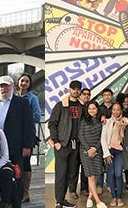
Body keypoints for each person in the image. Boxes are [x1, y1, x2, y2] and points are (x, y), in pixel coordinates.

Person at [0, 75, 35, 208]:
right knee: (4, 176)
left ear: (12, 86)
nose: (4, 88)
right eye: (1, 86)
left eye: (7, 85)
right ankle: (4, 201)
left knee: (17, 176)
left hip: (16, 147)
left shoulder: (22, 103)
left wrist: (27, 146)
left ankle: (16, 203)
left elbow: (28, 125)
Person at [47, 80, 83, 208]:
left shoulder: (82, 106)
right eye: (74, 88)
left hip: (76, 145)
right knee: (61, 173)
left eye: (78, 89)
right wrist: (56, 142)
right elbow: (52, 124)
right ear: (69, 90)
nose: (76, 91)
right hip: (63, 144)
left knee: (71, 173)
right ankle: (59, 201)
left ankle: (63, 200)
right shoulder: (61, 105)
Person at [16, 73, 42, 203]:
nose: (24, 83)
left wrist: (22, 119)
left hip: (27, 135)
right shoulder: (13, 97)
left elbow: (37, 117)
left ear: (29, 84)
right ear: (18, 82)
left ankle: (25, 193)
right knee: (15, 162)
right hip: (14, 135)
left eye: (27, 81)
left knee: (26, 163)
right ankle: (15, 191)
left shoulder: (32, 98)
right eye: (22, 81)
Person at [77, 101, 106, 208]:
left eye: (94, 108)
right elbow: (80, 135)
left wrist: (95, 148)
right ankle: (98, 202)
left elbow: (102, 137)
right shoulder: (83, 121)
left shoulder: (101, 121)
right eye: (90, 109)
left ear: (97, 109)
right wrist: (89, 149)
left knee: (96, 175)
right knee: (91, 176)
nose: (91, 110)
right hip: (85, 151)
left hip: (97, 150)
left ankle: (89, 198)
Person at [101, 103, 128, 206]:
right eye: (114, 109)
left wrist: (126, 126)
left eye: (118, 110)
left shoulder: (124, 121)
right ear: (111, 110)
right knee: (111, 174)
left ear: (121, 111)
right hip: (110, 151)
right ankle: (113, 196)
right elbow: (103, 138)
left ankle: (119, 197)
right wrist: (106, 154)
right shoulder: (107, 122)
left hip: (120, 151)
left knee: (118, 174)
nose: (116, 112)